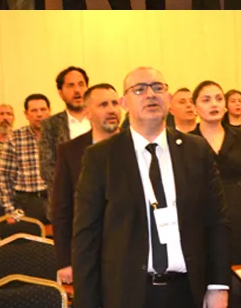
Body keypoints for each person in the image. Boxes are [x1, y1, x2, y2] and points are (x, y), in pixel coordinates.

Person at [73, 67, 230, 308]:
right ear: (124, 103)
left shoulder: (196, 150)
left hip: (187, 291)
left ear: (169, 98)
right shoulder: (101, 157)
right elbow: (86, 237)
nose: (150, 95)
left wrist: (218, 286)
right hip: (126, 294)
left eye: (158, 88)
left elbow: (216, 222)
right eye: (139, 89)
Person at [191, 81, 241, 308]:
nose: (214, 104)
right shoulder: (186, 141)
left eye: (219, 99)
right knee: (206, 288)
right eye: (206, 100)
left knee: (238, 291)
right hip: (203, 222)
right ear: (195, 107)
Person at [53, 83, 121, 285]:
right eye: (103, 105)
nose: (111, 110)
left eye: (115, 103)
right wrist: (65, 261)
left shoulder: (137, 147)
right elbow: (62, 209)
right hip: (88, 251)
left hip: (131, 251)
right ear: (87, 112)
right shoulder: (70, 151)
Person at [39, 66, 90, 193]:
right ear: (61, 93)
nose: (77, 90)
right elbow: (46, 168)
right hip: (66, 195)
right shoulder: (50, 125)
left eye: (81, 84)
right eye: (70, 86)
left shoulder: (99, 119)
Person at [0, 97, 48, 222]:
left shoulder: (58, 135)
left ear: (49, 111)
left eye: (43, 109)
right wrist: (10, 211)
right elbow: (5, 177)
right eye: (34, 110)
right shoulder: (15, 137)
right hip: (26, 202)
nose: (39, 114)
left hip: (54, 200)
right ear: (26, 114)